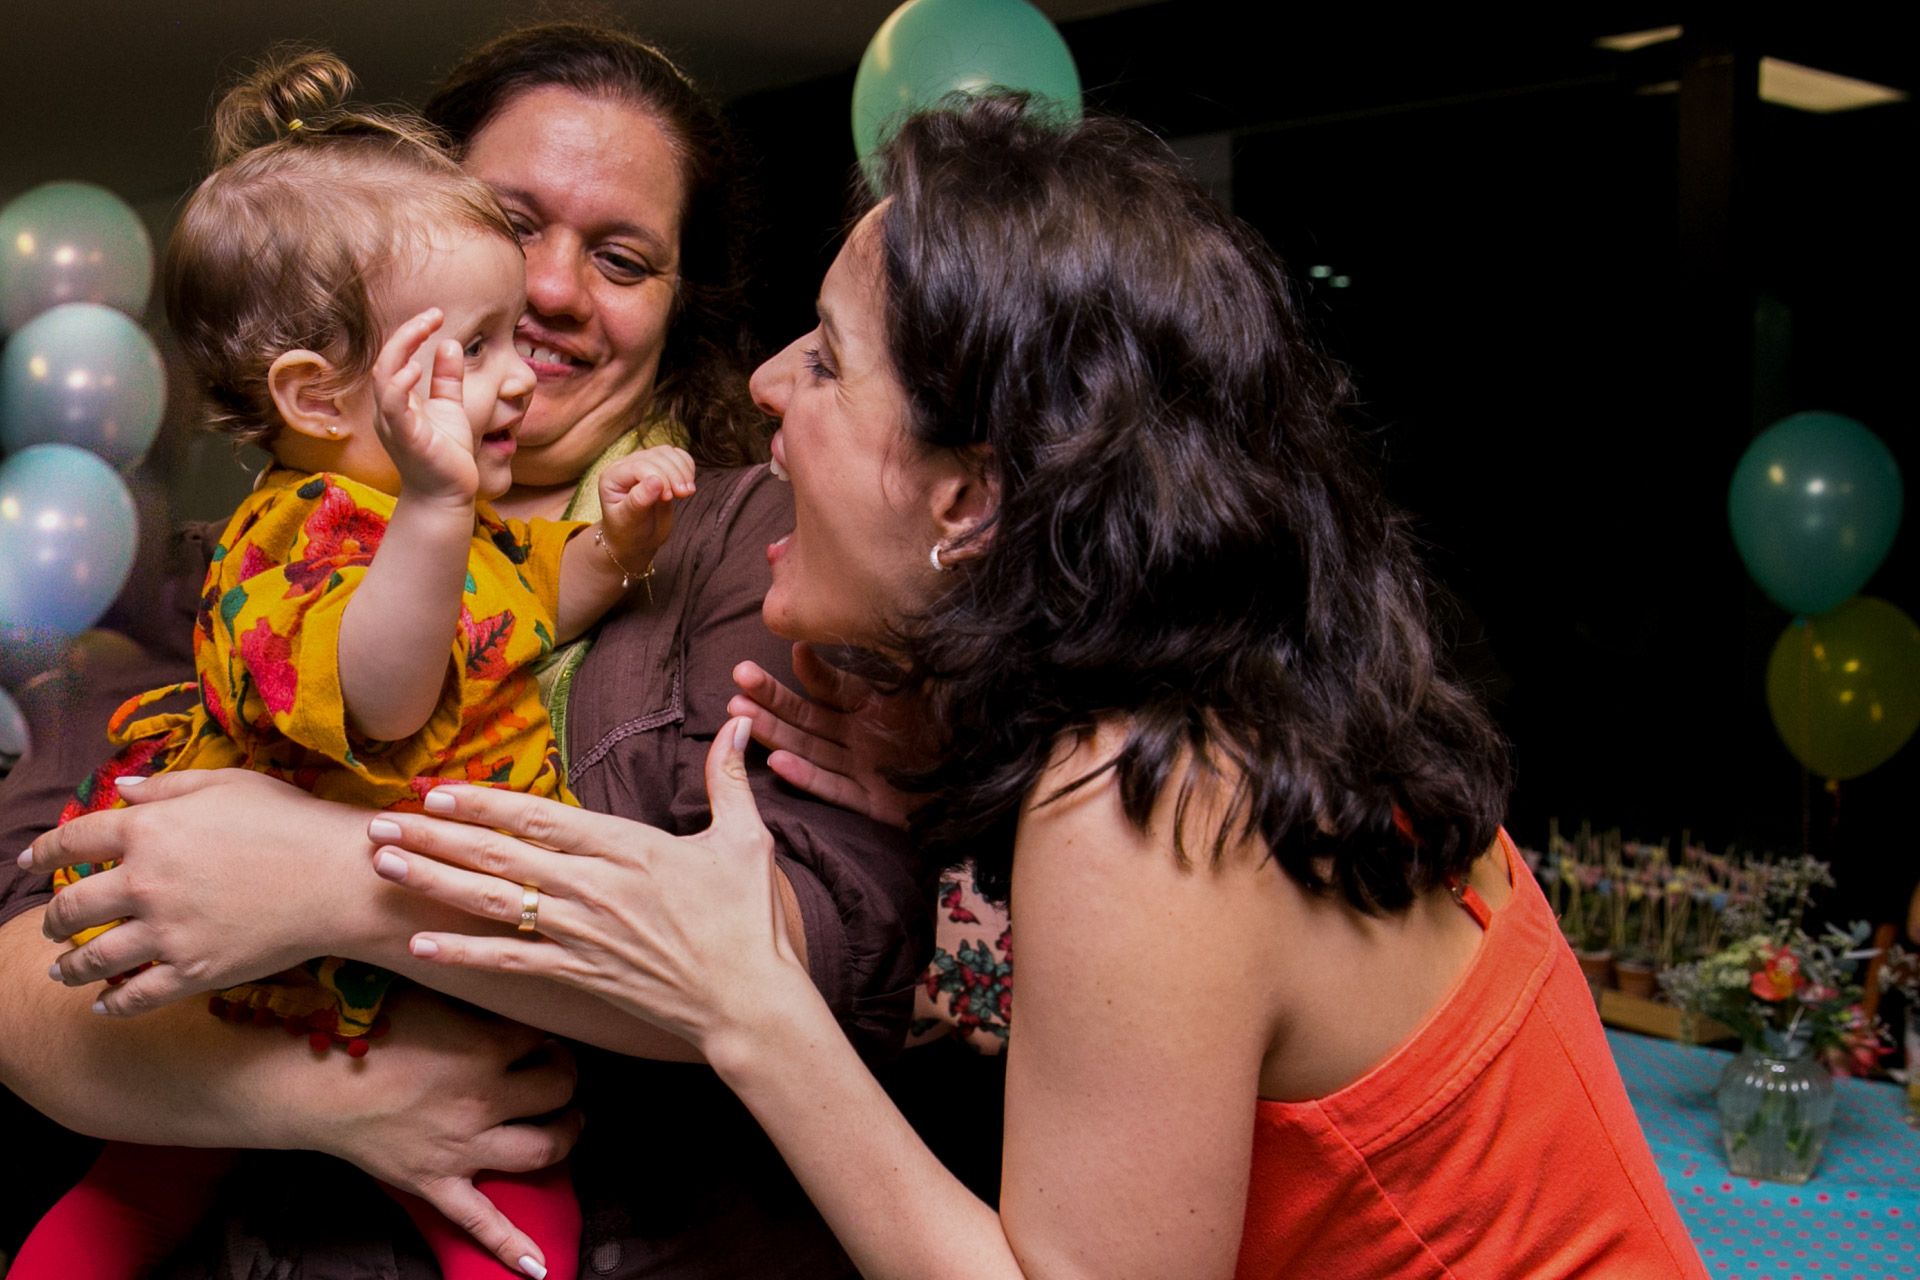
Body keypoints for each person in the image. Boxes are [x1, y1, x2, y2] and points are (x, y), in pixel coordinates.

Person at [355, 97, 1710, 1277]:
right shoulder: (1217, 695)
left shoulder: (1150, 791)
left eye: (826, 358)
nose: (765, 383)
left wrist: (746, 1001)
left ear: (971, 499)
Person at [2, 24, 927, 1279]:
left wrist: (333, 879)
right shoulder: (245, 564)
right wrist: (310, 1095)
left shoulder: (760, 545)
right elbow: (27, 960)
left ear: (681, 304)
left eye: (621, 257)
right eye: (510, 221)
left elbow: (820, 947)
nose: (551, 289)